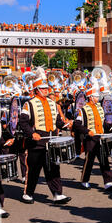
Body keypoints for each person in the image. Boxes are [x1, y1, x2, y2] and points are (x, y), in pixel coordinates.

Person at [19, 68, 72, 205]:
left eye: (46, 88)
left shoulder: (53, 103)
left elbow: (58, 122)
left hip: (51, 141)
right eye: (43, 88)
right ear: (36, 89)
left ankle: (57, 194)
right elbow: (23, 122)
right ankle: (28, 193)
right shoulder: (28, 104)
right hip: (36, 142)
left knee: (53, 168)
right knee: (34, 170)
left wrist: (67, 125)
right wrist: (32, 134)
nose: (46, 90)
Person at [73, 83, 112, 191]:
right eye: (96, 96)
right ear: (90, 97)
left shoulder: (99, 108)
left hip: (100, 138)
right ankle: (84, 181)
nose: (98, 98)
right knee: (89, 161)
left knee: (104, 160)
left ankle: (108, 182)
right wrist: (87, 131)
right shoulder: (83, 109)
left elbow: (103, 123)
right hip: (90, 139)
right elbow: (77, 124)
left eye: (98, 96)